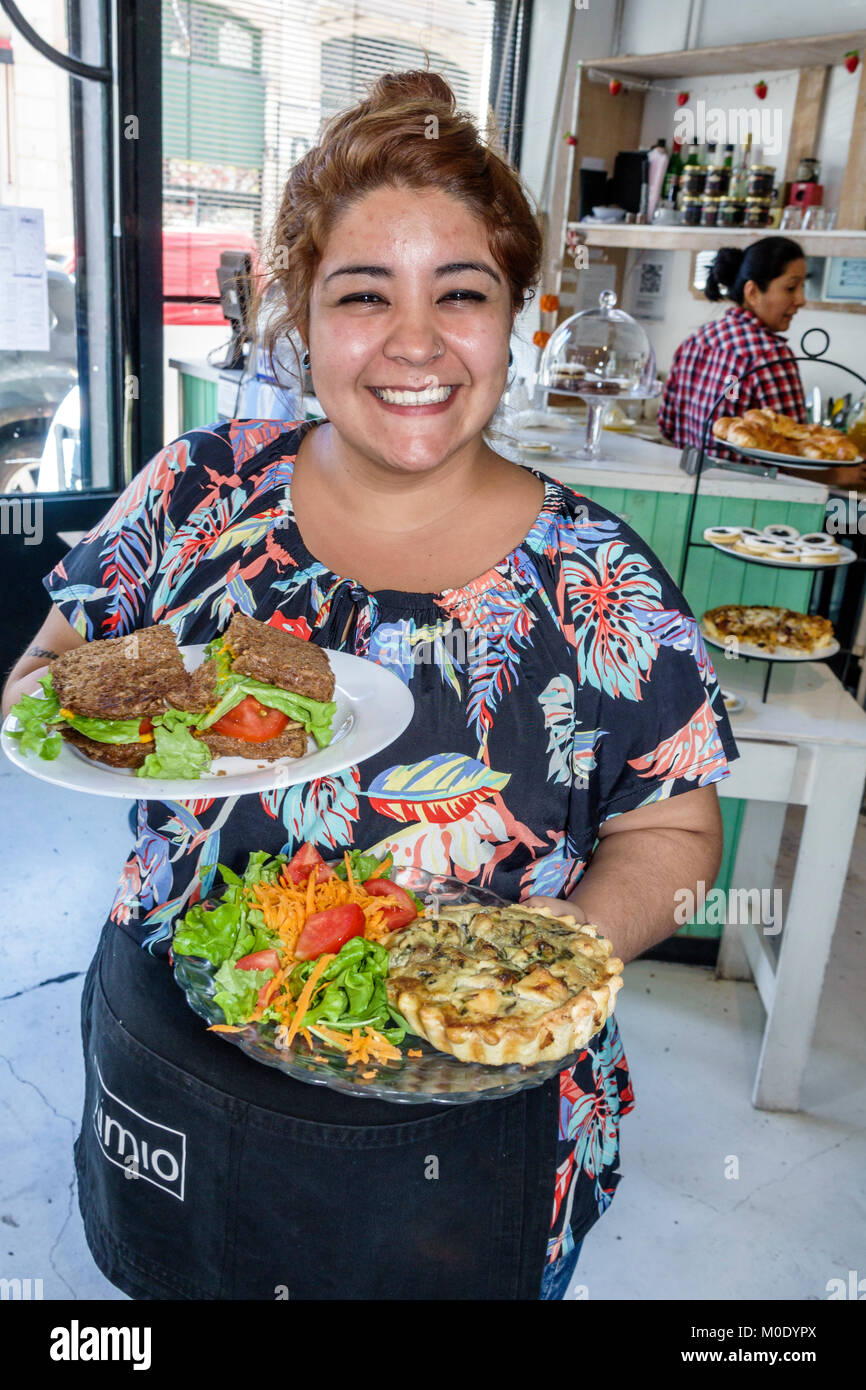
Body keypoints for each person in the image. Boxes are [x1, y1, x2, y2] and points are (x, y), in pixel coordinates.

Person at [2, 71, 738, 1301]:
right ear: (299, 314)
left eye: (462, 293)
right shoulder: (196, 491)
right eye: (361, 294)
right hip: (175, 1059)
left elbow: (672, 826)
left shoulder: (598, 573)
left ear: (520, 317)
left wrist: (561, 946)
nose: (413, 341)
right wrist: (108, 711)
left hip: (463, 1112)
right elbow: (47, 670)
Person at [658, 237, 866, 487]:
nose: (800, 300)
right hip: (749, 500)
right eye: (790, 288)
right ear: (753, 292)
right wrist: (841, 475)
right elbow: (793, 457)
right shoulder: (770, 356)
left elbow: (667, 426)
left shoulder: (697, 341)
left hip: (689, 490)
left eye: (802, 287)